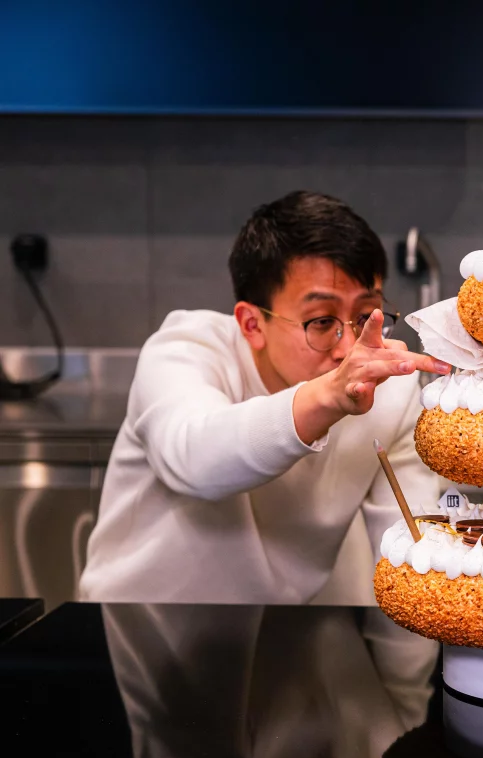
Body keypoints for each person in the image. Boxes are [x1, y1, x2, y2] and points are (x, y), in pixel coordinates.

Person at [79, 191, 450, 603]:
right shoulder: (185, 349)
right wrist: (328, 396)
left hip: (288, 632)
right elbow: (194, 459)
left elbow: (410, 558)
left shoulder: (392, 393)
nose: (350, 347)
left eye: (365, 317)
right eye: (323, 321)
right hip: (136, 627)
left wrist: (403, 670)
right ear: (252, 323)